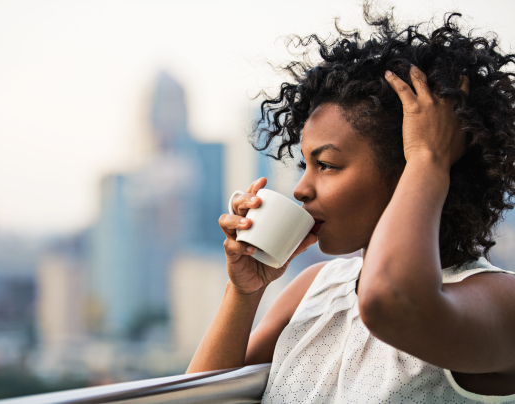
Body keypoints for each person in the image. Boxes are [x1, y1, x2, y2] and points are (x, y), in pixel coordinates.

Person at [186, 4, 515, 403]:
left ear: (406, 169)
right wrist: (243, 294)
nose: (301, 189)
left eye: (326, 165)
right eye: (304, 164)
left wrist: (429, 159)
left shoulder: (501, 301)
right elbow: (197, 398)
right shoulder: (314, 290)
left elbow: (389, 302)